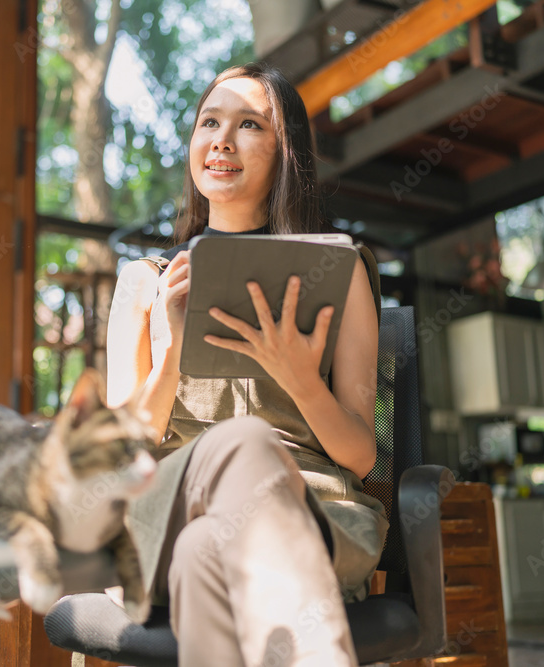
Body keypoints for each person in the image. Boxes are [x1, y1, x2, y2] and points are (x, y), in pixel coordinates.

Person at [106, 62, 388, 666]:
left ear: (287, 154)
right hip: (166, 512)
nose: (221, 140)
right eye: (209, 121)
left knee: (210, 547)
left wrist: (301, 381)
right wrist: (171, 352)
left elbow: (362, 456)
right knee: (242, 448)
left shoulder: (340, 273)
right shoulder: (144, 283)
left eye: (249, 124)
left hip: (314, 514)